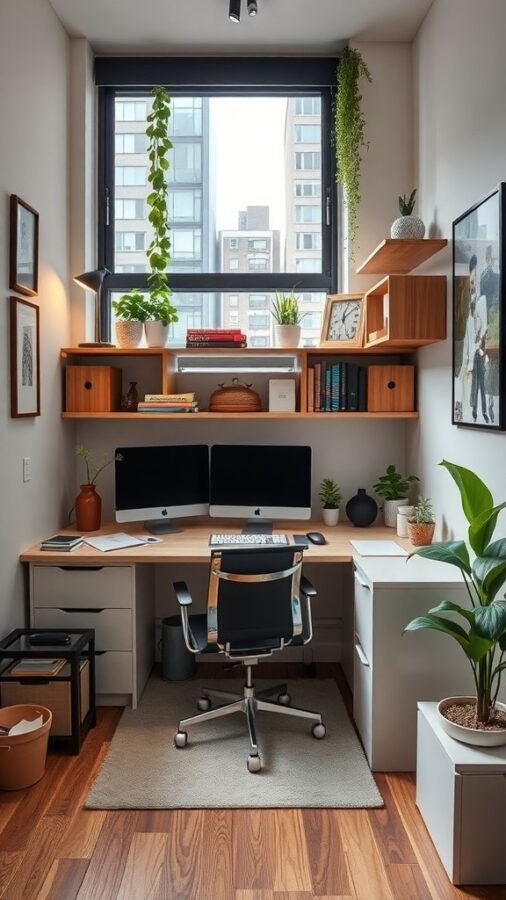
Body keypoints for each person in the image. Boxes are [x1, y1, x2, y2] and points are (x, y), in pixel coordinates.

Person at [480, 244, 499, 422]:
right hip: (492, 323)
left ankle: (492, 405)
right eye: (492, 258)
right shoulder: (488, 276)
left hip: (493, 323)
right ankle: (491, 404)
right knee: (493, 363)